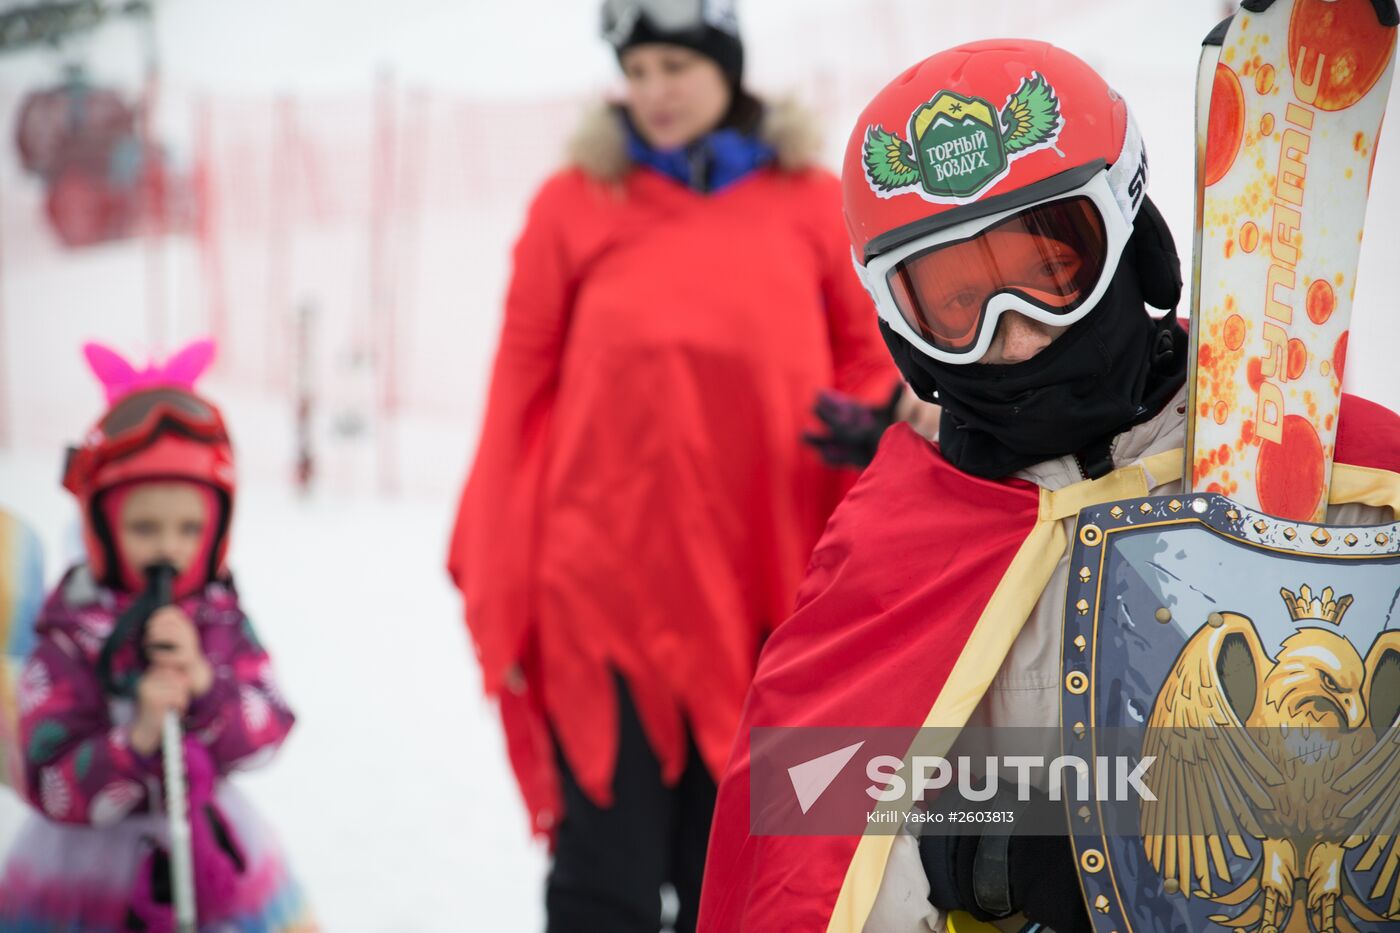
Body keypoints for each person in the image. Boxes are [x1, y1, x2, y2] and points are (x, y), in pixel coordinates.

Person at [697, 39, 1400, 932]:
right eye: (956, 302)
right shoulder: (901, 540)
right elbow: (807, 815)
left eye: (1047, 270)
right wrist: (993, 841)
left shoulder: (1345, 472)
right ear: (906, 333)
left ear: (1134, 240)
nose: (1015, 333)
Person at [444, 1, 918, 929]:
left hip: (771, 581)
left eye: (678, 67)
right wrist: (500, 554)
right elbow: (519, 386)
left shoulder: (811, 198)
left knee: (746, 860)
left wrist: (869, 419)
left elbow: (868, 354)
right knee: (603, 876)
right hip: (604, 587)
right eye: (640, 68)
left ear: (728, 68)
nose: (655, 91)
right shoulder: (577, 201)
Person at [0, 341, 315, 931]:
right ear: (99, 525)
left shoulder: (218, 616)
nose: (169, 548)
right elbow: (49, 783)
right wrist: (135, 737)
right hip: (86, 881)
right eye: (144, 527)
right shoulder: (72, 628)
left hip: (206, 857)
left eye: (189, 527)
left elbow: (270, 727)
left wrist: (206, 684)